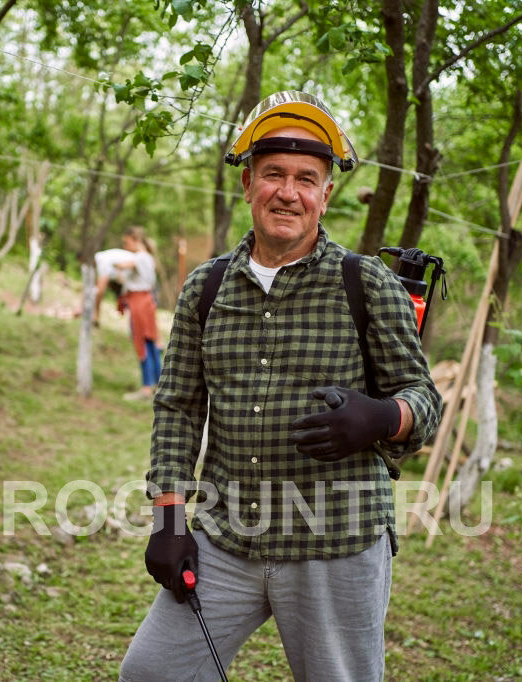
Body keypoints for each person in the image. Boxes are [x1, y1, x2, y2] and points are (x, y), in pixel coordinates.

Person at [119, 91, 442, 681]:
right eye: (273, 175)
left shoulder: (366, 284)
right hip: (226, 539)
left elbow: (426, 403)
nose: (287, 192)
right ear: (248, 185)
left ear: (325, 194)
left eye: (305, 178)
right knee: (153, 673)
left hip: (335, 545)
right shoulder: (205, 288)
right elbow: (179, 408)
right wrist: (169, 517)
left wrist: (380, 417)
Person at [115, 226, 162, 401]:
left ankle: (146, 387)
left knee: (142, 343)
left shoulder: (141, 257)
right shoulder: (147, 258)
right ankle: (157, 383)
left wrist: (115, 264)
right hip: (144, 302)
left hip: (140, 303)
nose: (126, 246)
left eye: (127, 242)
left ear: (135, 239)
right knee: (150, 343)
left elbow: (123, 265)